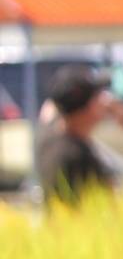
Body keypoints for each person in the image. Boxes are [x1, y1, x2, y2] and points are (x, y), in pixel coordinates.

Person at [35, 67, 118, 206]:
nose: (105, 100)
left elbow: (52, 105)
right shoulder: (74, 155)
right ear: (88, 106)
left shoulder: (50, 136)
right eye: (98, 96)